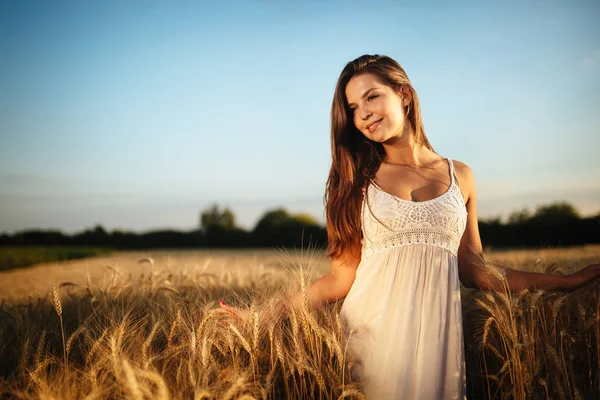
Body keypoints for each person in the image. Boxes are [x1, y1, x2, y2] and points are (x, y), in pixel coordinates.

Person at [219, 54, 600, 399]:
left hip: (437, 344)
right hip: (370, 341)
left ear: (403, 94)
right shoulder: (355, 183)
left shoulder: (461, 177)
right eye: (353, 107)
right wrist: (261, 316)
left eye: (372, 97)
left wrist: (566, 282)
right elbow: (338, 280)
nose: (363, 113)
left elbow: (477, 271)